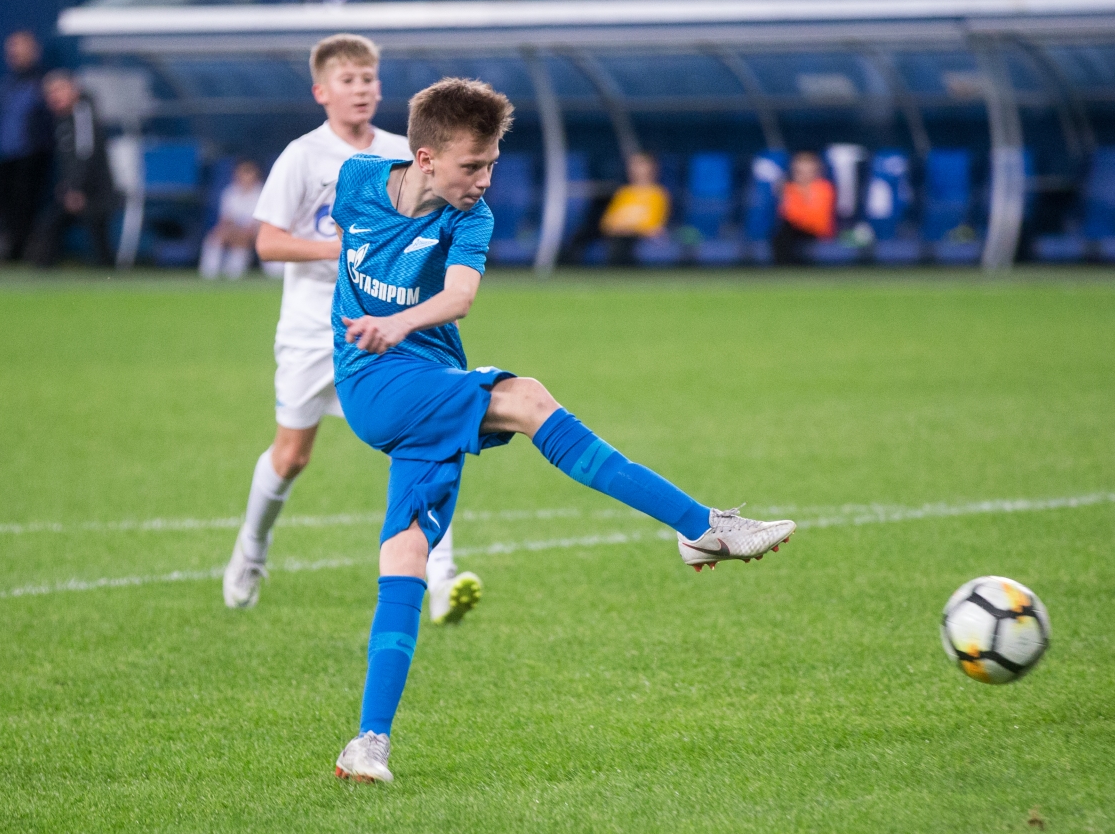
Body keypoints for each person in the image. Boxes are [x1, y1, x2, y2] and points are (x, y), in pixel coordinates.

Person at [328, 77, 796, 783]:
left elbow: (460, 296)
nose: (484, 180)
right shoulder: (357, 179)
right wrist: (365, 313)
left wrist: (397, 320)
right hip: (371, 380)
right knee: (528, 399)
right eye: (469, 166)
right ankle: (700, 524)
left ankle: (368, 741)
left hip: (426, 380)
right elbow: (333, 240)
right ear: (424, 158)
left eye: (492, 164)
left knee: (407, 553)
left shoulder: (469, 219)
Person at [222, 34, 481, 625]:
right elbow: (266, 241)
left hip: (394, 327)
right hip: (316, 331)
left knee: (427, 436)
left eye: (368, 79)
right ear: (321, 92)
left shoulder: (406, 150)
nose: (361, 90)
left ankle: (440, 579)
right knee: (291, 456)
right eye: (348, 81)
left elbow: (438, 220)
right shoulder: (304, 156)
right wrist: (333, 250)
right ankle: (251, 550)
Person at [31, 70, 115, 268]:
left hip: (94, 191)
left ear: (74, 89)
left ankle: (109, 278)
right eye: (49, 93)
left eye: (59, 90)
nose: (54, 96)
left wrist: (76, 188)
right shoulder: (62, 119)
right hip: (75, 189)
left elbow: (85, 152)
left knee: (98, 235)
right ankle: (41, 275)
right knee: (50, 226)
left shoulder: (82, 112)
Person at [0, 30, 53, 262]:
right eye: (11, 49)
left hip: (32, 153)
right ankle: (14, 246)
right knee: (6, 202)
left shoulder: (42, 80)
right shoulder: (6, 81)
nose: (13, 54)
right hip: (5, 153)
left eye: (19, 48)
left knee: (26, 203)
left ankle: (23, 250)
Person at [597, 151, 669, 265]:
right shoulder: (623, 193)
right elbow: (608, 223)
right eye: (633, 165)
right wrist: (625, 226)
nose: (636, 169)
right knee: (618, 244)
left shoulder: (658, 193)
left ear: (652, 168)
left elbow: (654, 225)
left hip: (642, 238)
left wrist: (632, 226)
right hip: (621, 237)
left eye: (641, 164)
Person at [199, 159, 264, 280]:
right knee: (216, 236)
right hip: (236, 229)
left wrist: (247, 230)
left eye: (249, 174)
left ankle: (234, 272)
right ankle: (209, 274)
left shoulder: (261, 193)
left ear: (255, 176)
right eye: (243, 174)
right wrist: (230, 230)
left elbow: (261, 220)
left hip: (257, 230)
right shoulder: (230, 192)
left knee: (244, 238)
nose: (246, 179)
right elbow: (226, 219)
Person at [771, 151, 834, 265]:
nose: (804, 174)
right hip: (794, 229)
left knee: (788, 231)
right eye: (800, 171)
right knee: (782, 233)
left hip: (815, 230)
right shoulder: (789, 188)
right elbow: (786, 214)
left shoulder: (823, 188)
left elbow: (816, 218)